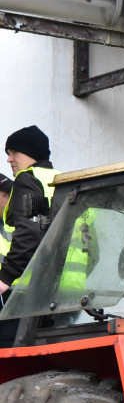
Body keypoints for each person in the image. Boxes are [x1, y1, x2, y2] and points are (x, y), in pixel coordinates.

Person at [3, 125, 59, 294]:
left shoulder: (28, 179)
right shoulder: (63, 180)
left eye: (14, 152)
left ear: (30, 152)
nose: (9, 159)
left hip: (33, 289)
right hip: (72, 289)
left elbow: (29, 232)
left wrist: (5, 276)